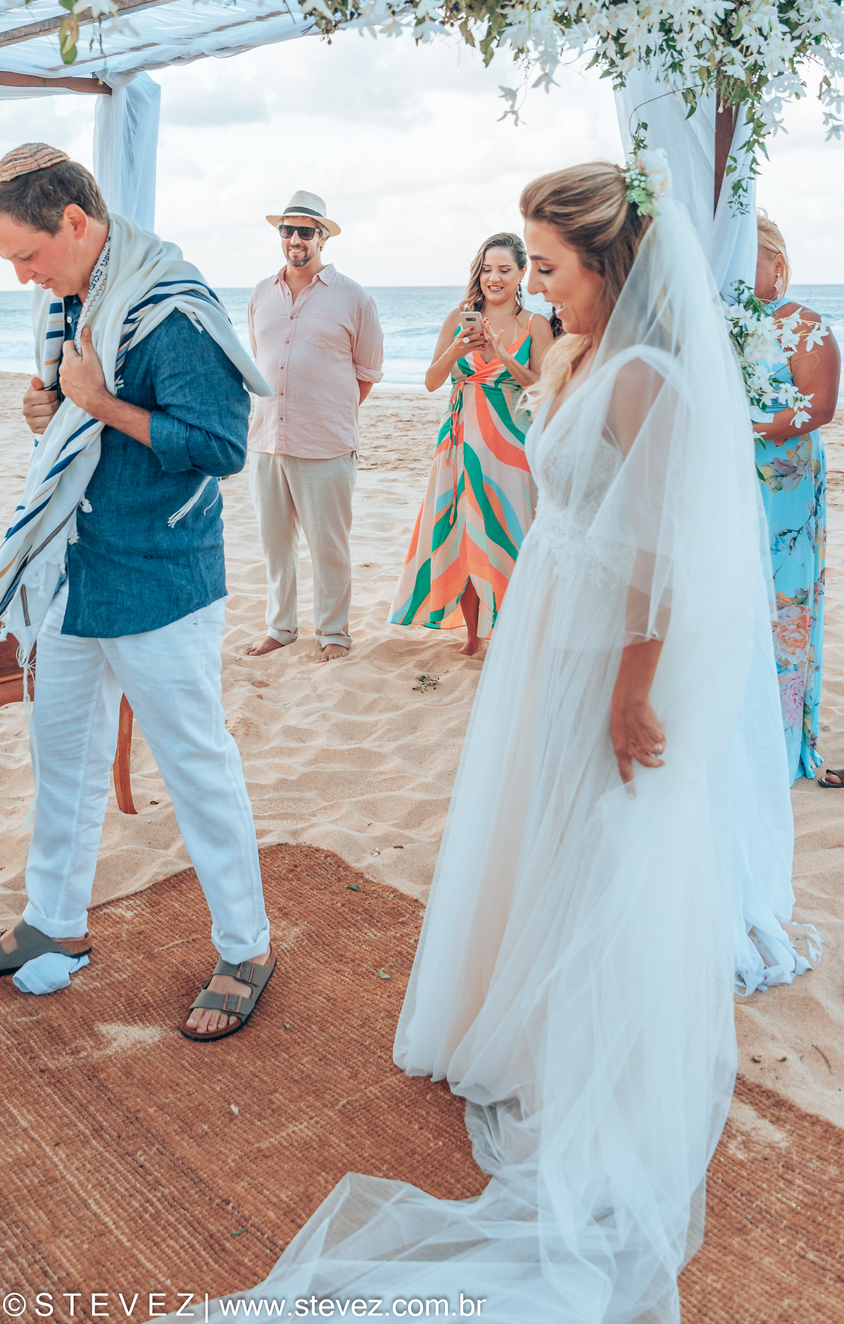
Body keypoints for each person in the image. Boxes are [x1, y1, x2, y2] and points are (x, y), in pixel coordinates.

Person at [218, 159, 765, 1321]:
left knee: (589, 831)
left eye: (555, 266)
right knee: (529, 817)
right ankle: (510, 1018)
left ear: (608, 262)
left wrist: (631, 691)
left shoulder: (649, 378)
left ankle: (578, 1053)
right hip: (540, 621)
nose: (542, 285)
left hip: (599, 647)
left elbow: (663, 560)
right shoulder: (574, 354)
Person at [0, 145, 275, 1042]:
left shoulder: (172, 309)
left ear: (75, 221)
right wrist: (53, 409)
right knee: (62, 756)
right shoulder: (73, 299)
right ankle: (54, 918)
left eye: (27, 254)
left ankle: (247, 945)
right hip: (76, 566)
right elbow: (71, 403)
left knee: (194, 765)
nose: (22, 275)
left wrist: (94, 404)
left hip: (162, 573)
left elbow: (220, 446)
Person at [390, 232, 551, 654]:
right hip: (459, 443)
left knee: (508, 532)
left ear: (521, 274)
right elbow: (430, 382)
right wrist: (457, 349)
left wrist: (505, 353)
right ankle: (473, 638)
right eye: (486, 269)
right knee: (462, 533)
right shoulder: (459, 317)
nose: (493, 278)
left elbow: (546, 388)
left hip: (510, 445)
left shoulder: (535, 325)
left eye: (504, 270)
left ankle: (514, 631)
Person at [244, 189, 383, 664]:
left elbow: (366, 374)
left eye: (306, 230)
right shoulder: (261, 294)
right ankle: (280, 628)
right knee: (275, 546)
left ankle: (334, 634)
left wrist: (324, 410)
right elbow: (259, 361)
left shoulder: (354, 298)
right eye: (288, 230)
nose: (295, 238)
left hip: (325, 443)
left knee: (329, 547)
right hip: (265, 439)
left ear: (323, 237)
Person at [748, 212, 840, 786]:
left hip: (785, 482)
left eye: (745, 263)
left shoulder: (804, 325)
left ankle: (782, 741)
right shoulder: (724, 323)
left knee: (785, 601)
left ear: (776, 266)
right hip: (727, 474)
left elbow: (820, 408)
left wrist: (747, 426)